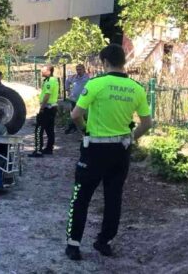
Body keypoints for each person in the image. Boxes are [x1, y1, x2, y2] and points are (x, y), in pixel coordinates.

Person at [64, 44, 152, 261]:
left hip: (95, 149)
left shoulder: (96, 84)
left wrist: (85, 130)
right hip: (120, 151)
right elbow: (147, 123)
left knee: (81, 197)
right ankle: (105, 242)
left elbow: (76, 115)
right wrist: (130, 138)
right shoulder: (137, 88)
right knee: (114, 198)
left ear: (104, 62)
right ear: (124, 62)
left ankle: (74, 244)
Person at [29, 65, 59, 157]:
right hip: (52, 108)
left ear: (49, 71)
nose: (41, 72)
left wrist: (42, 107)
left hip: (47, 108)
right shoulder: (52, 80)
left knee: (39, 129)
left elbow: (47, 95)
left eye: (43, 71)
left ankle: (38, 150)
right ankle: (49, 149)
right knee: (49, 129)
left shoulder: (50, 81)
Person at [65, 64, 90, 134]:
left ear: (84, 69)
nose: (78, 71)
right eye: (77, 70)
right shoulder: (74, 77)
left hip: (83, 99)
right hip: (74, 99)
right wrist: (68, 90)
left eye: (80, 69)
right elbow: (67, 81)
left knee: (84, 115)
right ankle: (73, 127)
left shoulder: (88, 77)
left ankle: (85, 130)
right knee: (73, 114)